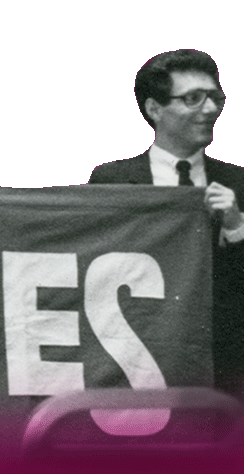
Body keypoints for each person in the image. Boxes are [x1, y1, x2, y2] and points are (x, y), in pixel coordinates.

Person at [88, 49, 241, 391]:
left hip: (224, 368)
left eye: (215, 97)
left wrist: (237, 226)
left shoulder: (239, 183)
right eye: (193, 99)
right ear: (154, 108)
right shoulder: (112, 180)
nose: (211, 109)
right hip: (137, 359)